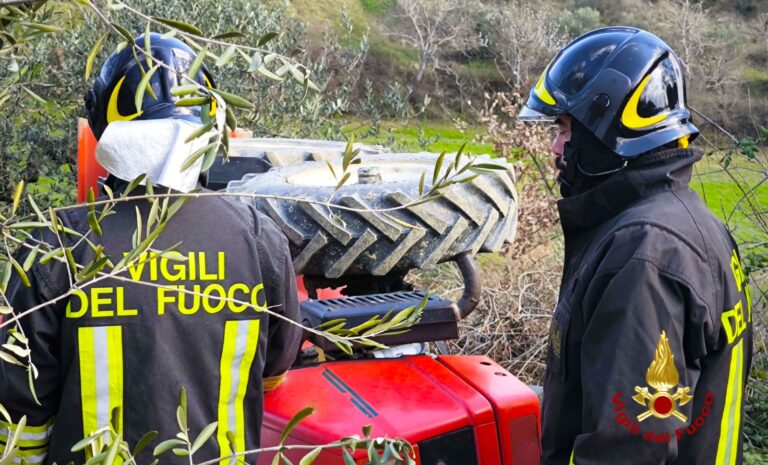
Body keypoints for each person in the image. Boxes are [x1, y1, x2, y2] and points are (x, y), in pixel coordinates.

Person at [0, 33, 302, 464]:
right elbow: (273, 373)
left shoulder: (60, 247)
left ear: (106, 124)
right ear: (212, 122)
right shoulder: (258, 239)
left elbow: (20, 415)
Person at [518, 27, 753, 464]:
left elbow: (626, 450)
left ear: (605, 130)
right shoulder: (694, 224)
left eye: (565, 128)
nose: (554, 146)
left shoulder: (642, 255)